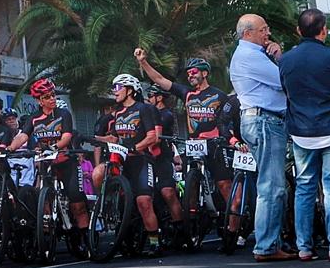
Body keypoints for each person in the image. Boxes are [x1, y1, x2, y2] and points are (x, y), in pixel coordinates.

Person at [280, 9, 330, 261]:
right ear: (323, 30)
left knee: (304, 187)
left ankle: (304, 247)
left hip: (302, 131)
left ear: (298, 31)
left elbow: (285, 90)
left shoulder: (286, 60)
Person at [135, 51, 238, 235]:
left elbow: (227, 121)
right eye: (188, 73)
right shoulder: (187, 93)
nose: (190, 75)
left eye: (194, 72)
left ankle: (233, 229)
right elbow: (160, 79)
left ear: (204, 73)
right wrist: (143, 62)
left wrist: (232, 139)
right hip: (193, 146)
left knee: (224, 186)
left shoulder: (220, 96)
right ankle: (192, 226)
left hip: (214, 145)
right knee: (190, 188)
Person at [230, 13, 293, 263]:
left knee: (272, 185)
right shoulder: (249, 56)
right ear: (248, 33)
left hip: (261, 120)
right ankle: (266, 246)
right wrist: (279, 57)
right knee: (271, 186)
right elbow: (283, 80)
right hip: (264, 120)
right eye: (263, 29)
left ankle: (271, 242)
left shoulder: (250, 55)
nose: (267, 34)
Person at [100, 73, 175, 254]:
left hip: (141, 160)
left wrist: (135, 147)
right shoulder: (117, 112)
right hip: (122, 161)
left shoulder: (144, 109)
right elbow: (114, 137)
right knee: (98, 174)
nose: (114, 91)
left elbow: (152, 137)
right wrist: (94, 139)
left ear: (130, 90)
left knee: (143, 201)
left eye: (118, 87)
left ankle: (154, 241)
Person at [22, 76, 88, 237]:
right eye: (47, 97)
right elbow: (23, 136)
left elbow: (66, 137)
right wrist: (10, 147)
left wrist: (53, 147)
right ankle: (46, 232)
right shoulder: (34, 118)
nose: (52, 99)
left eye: (53, 95)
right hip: (47, 163)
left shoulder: (63, 113)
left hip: (66, 162)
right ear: (39, 101)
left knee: (76, 202)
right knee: (42, 197)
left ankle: (86, 237)